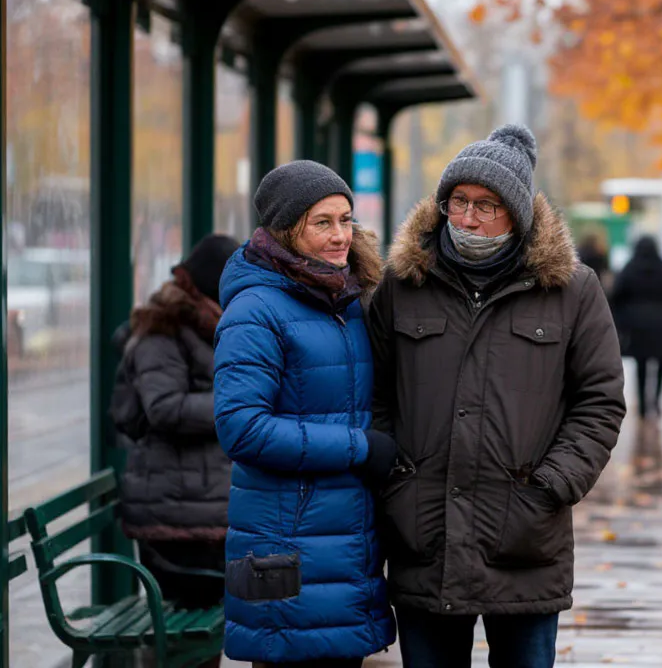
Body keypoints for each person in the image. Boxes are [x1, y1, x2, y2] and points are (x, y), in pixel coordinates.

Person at [368, 124, 626, 668]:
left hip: (526, 539)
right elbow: (375, 390)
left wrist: (552, 484)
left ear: (518, 214)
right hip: (424, 535)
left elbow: (600, 400)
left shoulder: (573, 291)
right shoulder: (402, 284)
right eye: (457, 202)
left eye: (485, 206)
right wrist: (396, 475)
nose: (466, 219)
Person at [214, 161, 396, 668]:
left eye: (346, 219)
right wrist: (360, 447)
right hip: (287, 552)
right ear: (286, 229)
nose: (341, 236)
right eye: (323, 223)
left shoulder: (345, 300)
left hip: (343, 553)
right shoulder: (256, 311)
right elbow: (242, 429)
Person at [110, 233, 240, 616]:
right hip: (177, 512)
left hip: (199, 499)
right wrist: (240, 407)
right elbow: (164, 408)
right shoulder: (163, 329)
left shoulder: (210, 325)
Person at [611, 236, 662, 417]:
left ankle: (642, 405)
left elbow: (616, 297)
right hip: (659, 324)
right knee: (661, 362)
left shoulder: (629, 268)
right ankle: (656, 401)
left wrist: (622, 320)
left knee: (641, 364)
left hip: (637, 325)